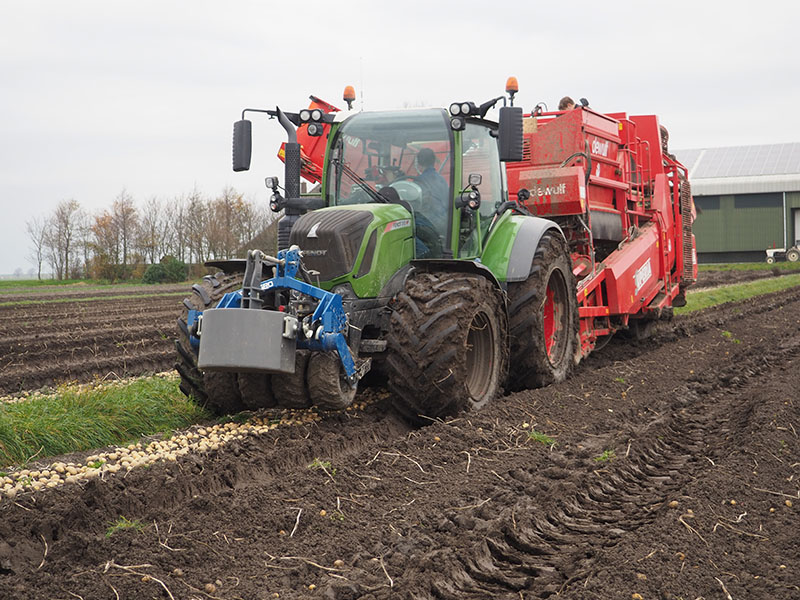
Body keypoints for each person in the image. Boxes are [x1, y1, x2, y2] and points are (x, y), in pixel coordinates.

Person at [413, 147, 449, 236]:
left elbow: (415, 205)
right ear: (433, 161)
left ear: (419, 162)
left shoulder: (420, 181)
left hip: (430, 224)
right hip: (445, 221)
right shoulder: (442, 179)